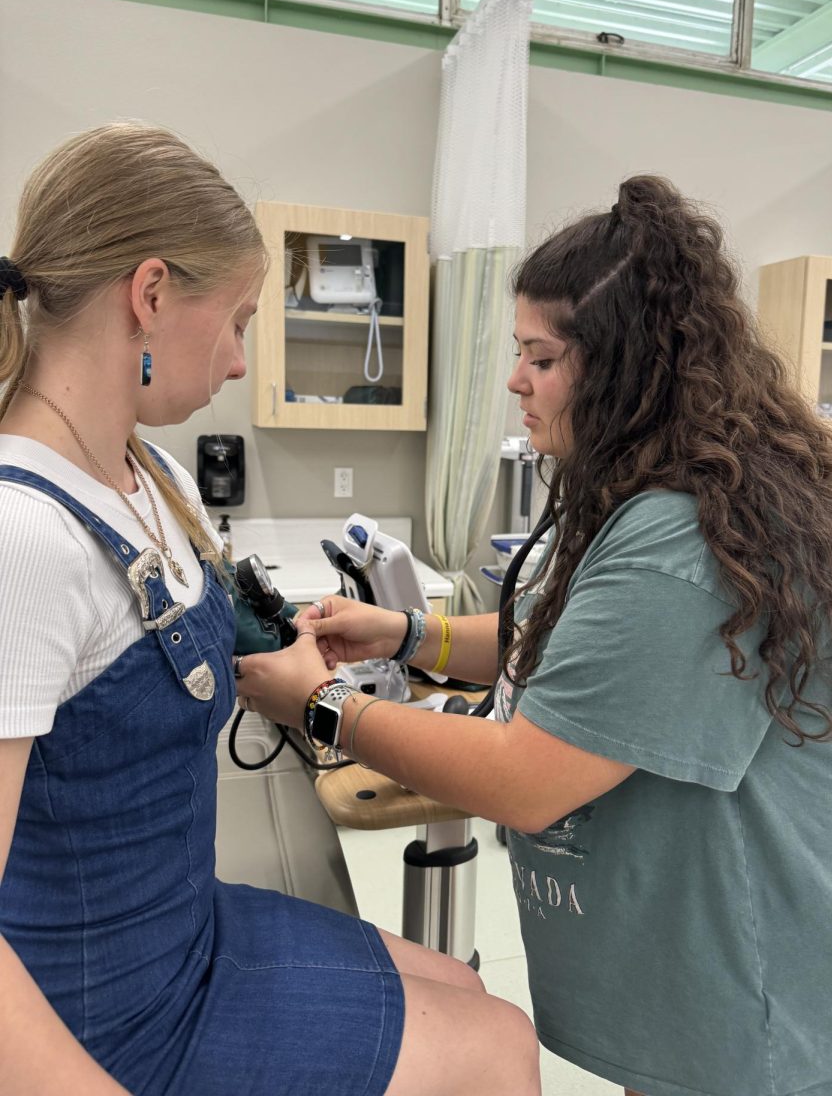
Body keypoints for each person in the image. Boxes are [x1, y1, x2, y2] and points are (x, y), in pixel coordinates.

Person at [238, 175, 832, 1096]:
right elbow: (562, 636)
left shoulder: (685, 534)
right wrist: (403, 633)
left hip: (769, 977)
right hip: (704, 955)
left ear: (623, 367)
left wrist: (321, 707)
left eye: (539, 358)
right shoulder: (646, 492)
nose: (515, 379)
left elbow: (525, 779)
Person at [0, 122, 542, 1096]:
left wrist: (332, 654)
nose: (244, 362)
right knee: (497, 1055)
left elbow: (176, 657)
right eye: (242, 319)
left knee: (480, 998)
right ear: (152, 294)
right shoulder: (21, 536)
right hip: (102, 1015)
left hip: (187, 930)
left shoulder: (151, 475)